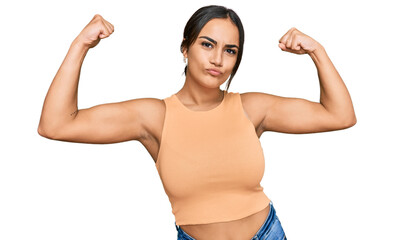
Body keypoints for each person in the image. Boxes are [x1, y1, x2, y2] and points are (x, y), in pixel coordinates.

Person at [37, 5, 356, 240]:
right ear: (185, 48)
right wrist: (80, 45)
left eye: (230, 51)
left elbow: (339, 116)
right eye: (207, 44)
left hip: (267, 233)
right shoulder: (154, 116)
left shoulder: (252, 108)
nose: (218, 59)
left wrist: (318, 51)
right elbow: (56, 125)